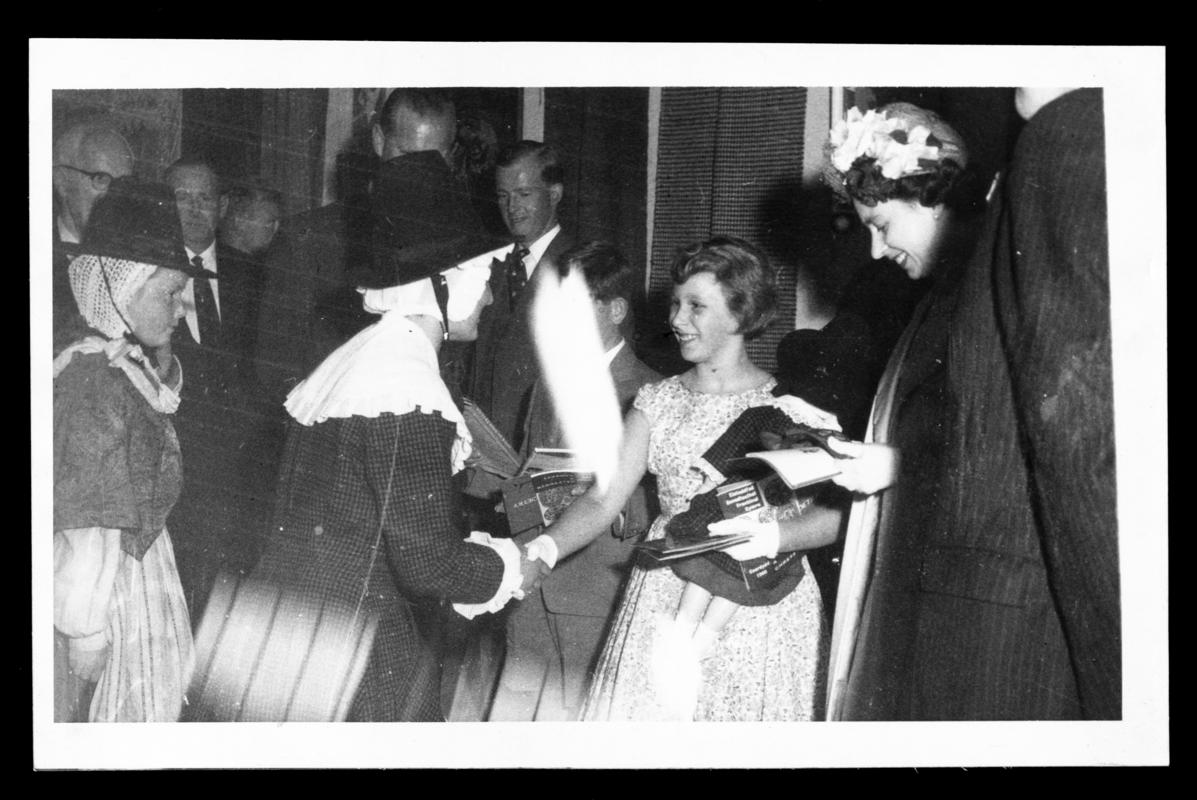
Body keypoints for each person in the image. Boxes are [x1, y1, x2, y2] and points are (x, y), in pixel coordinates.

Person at [189, 136, 545, 722]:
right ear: (444, 283)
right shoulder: (406, 389)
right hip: (346, 640)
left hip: (283, 624)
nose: (487, 295)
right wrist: (513, 567)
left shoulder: (362, 357)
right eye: (481, 276)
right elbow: (427, 563)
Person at [523, 237, 841, 721]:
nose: (676, 319)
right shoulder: (658, 400)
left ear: (741, 314)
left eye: (696, 306)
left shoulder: (788, 406)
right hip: (666, 592)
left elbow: (832, 517)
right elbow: (603, 500)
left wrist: (774, 538)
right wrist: (544, 549)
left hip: (762, 605)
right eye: (675, 304)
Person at [903, 88, 1119, 719]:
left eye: (879, 224)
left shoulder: (1068, 136)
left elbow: (1079, 432)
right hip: (1000, 611)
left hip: (1019, 611)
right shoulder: (1056, 144)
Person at [818, 103, 989, 720]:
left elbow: (995, 440)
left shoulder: (981, 294)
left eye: (882, 225)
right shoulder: (940, 296)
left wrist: (898, 464)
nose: (876, 248)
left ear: (930, 199)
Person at [53, 179, 212, 721]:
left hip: (135, 565)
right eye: (169, 294)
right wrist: (86, 630)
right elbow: (87, 522)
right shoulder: (92, 379)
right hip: (109, 584)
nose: (179, 308)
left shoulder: (117, 363)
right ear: (123, 290)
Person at [488, 241, 660, 722]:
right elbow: (530, 469)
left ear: (616, 311)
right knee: (515, 722)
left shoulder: (652, 393)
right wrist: (501, 485)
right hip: (532, 584)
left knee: (583, 723)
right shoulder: (546, 385)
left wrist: (614, 501)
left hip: (594, 590)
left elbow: (659, 501)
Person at [254, 89, 460, 404]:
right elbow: (274, 368)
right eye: (406, 154)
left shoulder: (457, 242)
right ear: (379, 141)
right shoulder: (309, 239)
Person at [469, 141, 574, 451]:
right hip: (483, 456)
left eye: (524, 194)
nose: (512, 207)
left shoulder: (584, 269)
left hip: (543, 456)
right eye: (503, 196)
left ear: (554, 194)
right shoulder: (487, 266)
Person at [52, 118, 135, 348]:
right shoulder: (40, 260)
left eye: (125, 183)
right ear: (61, 181)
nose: (115, 195)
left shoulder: (141, 262)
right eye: (101, 179)